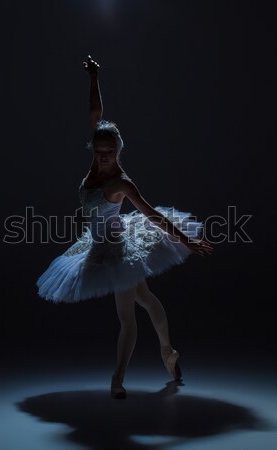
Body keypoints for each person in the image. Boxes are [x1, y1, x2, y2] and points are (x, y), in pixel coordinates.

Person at [36, 55, 213, 399]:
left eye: (108, 150)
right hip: (97, 245)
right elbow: (95, 117)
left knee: (127, 314)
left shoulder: (122, 182)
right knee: (145, 297)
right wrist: (93, 78)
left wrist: (187, 241)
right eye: (98, 149)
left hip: (119, 248)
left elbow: (152, 216)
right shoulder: (94, 166)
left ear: (118, 150)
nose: (103, 154)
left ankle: (118, 378)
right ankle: (168, 352)